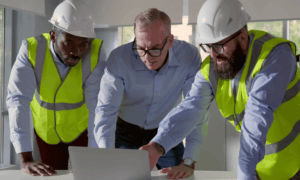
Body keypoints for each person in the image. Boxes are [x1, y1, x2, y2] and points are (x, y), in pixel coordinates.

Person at [140, 0, 300, 179]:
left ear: (242, 38)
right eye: (208, 46)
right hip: (261, 169)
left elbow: (257, 116)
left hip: (295, 166)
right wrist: (157, 146)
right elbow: (191, 109)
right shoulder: (212, 68)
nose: (214, 54)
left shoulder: (275, 56)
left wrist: (245, 174)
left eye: (218, 45)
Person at [94, 8, 203, 179]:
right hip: (125, 131)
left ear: (170, 41)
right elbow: (106, 111)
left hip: (168, 131)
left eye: (155, 49)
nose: (147, 57)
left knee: (179, 176)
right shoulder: (119, 58)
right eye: (140, 48)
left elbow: (196, 108)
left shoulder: (189, 56)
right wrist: (105, 157)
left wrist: (189, 161)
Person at [6, 0, 106, 176]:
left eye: (84, 44)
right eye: (69, 43)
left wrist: (94, 154)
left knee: (86, 175)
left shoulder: (96, 52)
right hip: (46, 132)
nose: (77, 51)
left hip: (81, 130)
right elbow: (18, 101)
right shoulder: (31, 50)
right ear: (53, 36)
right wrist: (25, 158)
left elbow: (96, 104)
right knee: (50, 176)